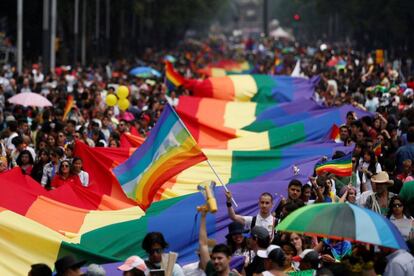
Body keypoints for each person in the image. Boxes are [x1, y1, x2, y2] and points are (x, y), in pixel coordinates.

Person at [198, 209, 237, 276]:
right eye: (213, 258)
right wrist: (203, 217)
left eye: (219, 258)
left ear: (229, 259)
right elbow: (203, 244)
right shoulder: (211, 271)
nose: (216, 261)